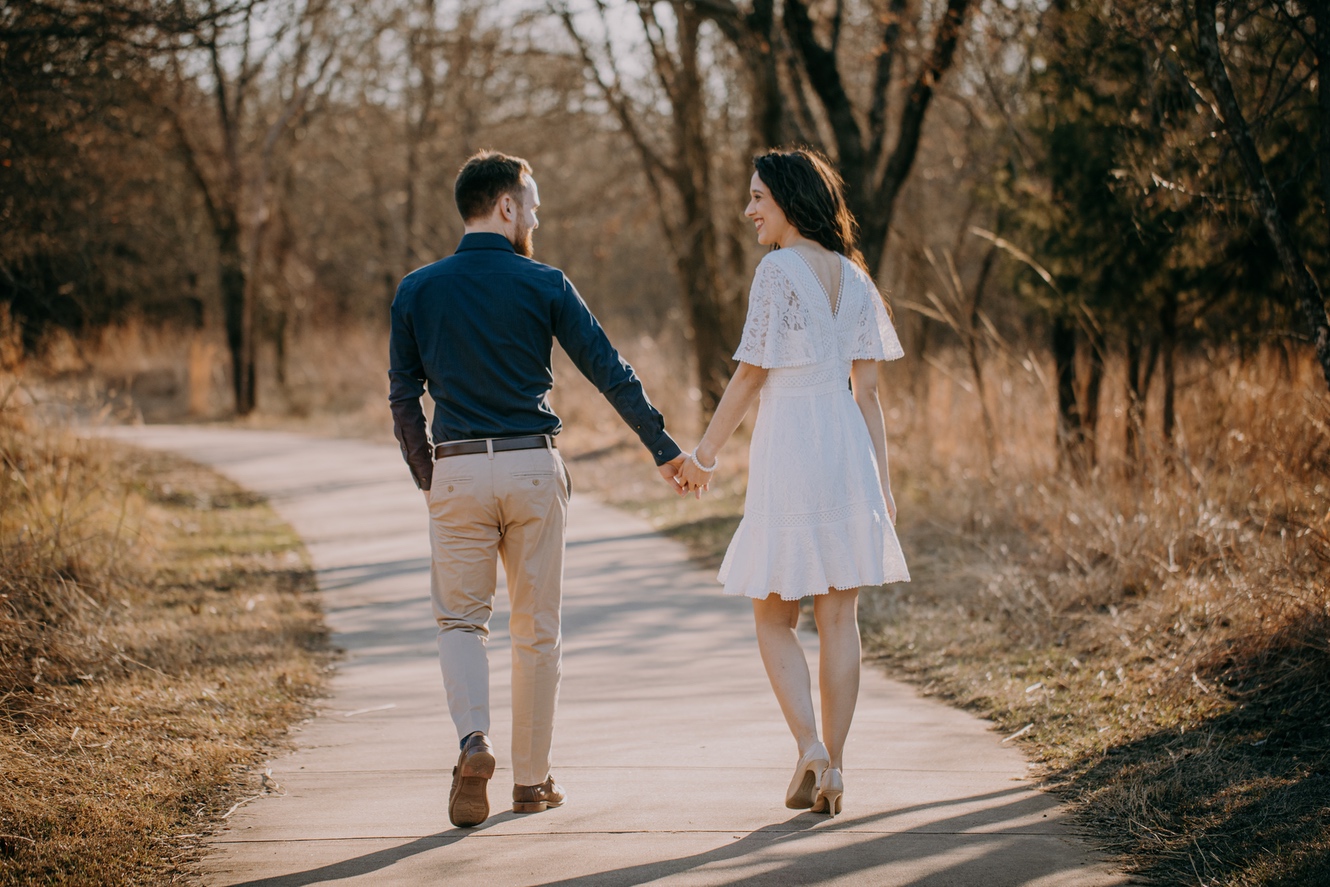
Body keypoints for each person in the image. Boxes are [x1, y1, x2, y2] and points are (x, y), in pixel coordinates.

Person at [389, 150, 685, 829]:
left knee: (461, 621)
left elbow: (402, 395)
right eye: (534, 204)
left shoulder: (417, 289)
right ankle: (531, 781)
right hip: (530, 465)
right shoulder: (545, 282)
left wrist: (428, 477)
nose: (537, 217)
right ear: (506, 207)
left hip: (457, 466)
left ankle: (473, 741)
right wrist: (662, 448)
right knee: (536, 631)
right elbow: (610, 370)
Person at [676, 147, 910, 817]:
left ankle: (809, 744)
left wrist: (705, 455)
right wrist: (883, 484)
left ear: (788, 199)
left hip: (794, 453)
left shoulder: (776, 270)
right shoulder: (857, 279)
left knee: (774, 615)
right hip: (847, 453)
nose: (749, 209)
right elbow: (868, 396)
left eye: (758, 197)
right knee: (840, 616)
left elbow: (751, 373)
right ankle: (834, 767)